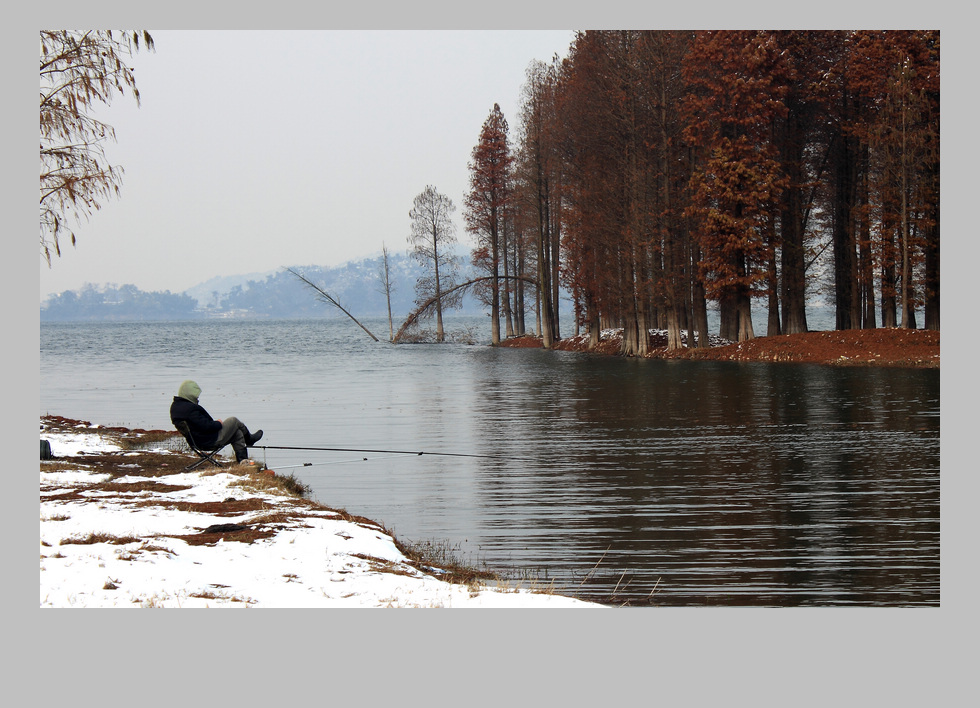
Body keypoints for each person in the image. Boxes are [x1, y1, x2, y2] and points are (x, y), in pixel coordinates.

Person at [170, 380, 263, 463]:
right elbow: (206, 426)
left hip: (198, 440)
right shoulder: (190, 409)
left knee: (237, 433)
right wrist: (218, 423)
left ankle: (243, 461)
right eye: (196, 397)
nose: (197, 399)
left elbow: (200, 425)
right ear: (189, 394)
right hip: (208, 441)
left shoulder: (177, 407)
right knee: (233, 420)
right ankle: (250, 439)